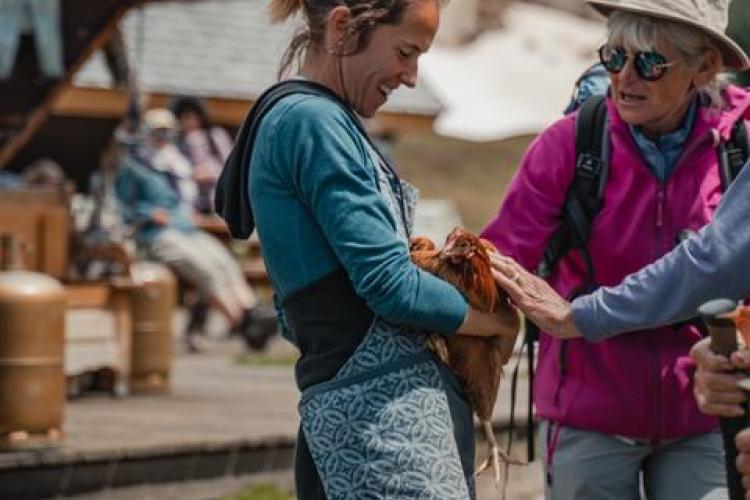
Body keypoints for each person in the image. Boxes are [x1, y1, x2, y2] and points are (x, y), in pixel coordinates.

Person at [214, 0, 516, 498]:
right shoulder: (314, 123)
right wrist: (494, 323)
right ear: (342, 27)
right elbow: (389, 284)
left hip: (361, 408)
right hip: (379, 425)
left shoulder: (313, 118)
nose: (412, 76)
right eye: (405, 51)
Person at [481, 0, 750, 497]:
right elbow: (501, 255)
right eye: (614, 57)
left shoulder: (741, 146)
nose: (624, 78)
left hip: (704, 412)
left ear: (705, 67)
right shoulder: (570, 144)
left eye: (649, 63)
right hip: (588, 411)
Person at [115, 108, 276, 353]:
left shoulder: (176, 163)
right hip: (156, 234)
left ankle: (253, 313)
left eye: (166, 132)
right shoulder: (135, 167)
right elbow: (122, 207)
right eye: (157, 132)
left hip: (186, 228)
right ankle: (243, 324)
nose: (162, 137)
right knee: (205, 270)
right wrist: (148, 213)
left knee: (224, 263)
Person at [170, 96, 233, 214]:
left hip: (217, 199)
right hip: (191, 203)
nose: (186, 121)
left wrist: (210, 172)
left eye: (189, 116)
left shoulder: (215, 136)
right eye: (181, 117)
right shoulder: (177, 142)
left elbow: (231, 167)